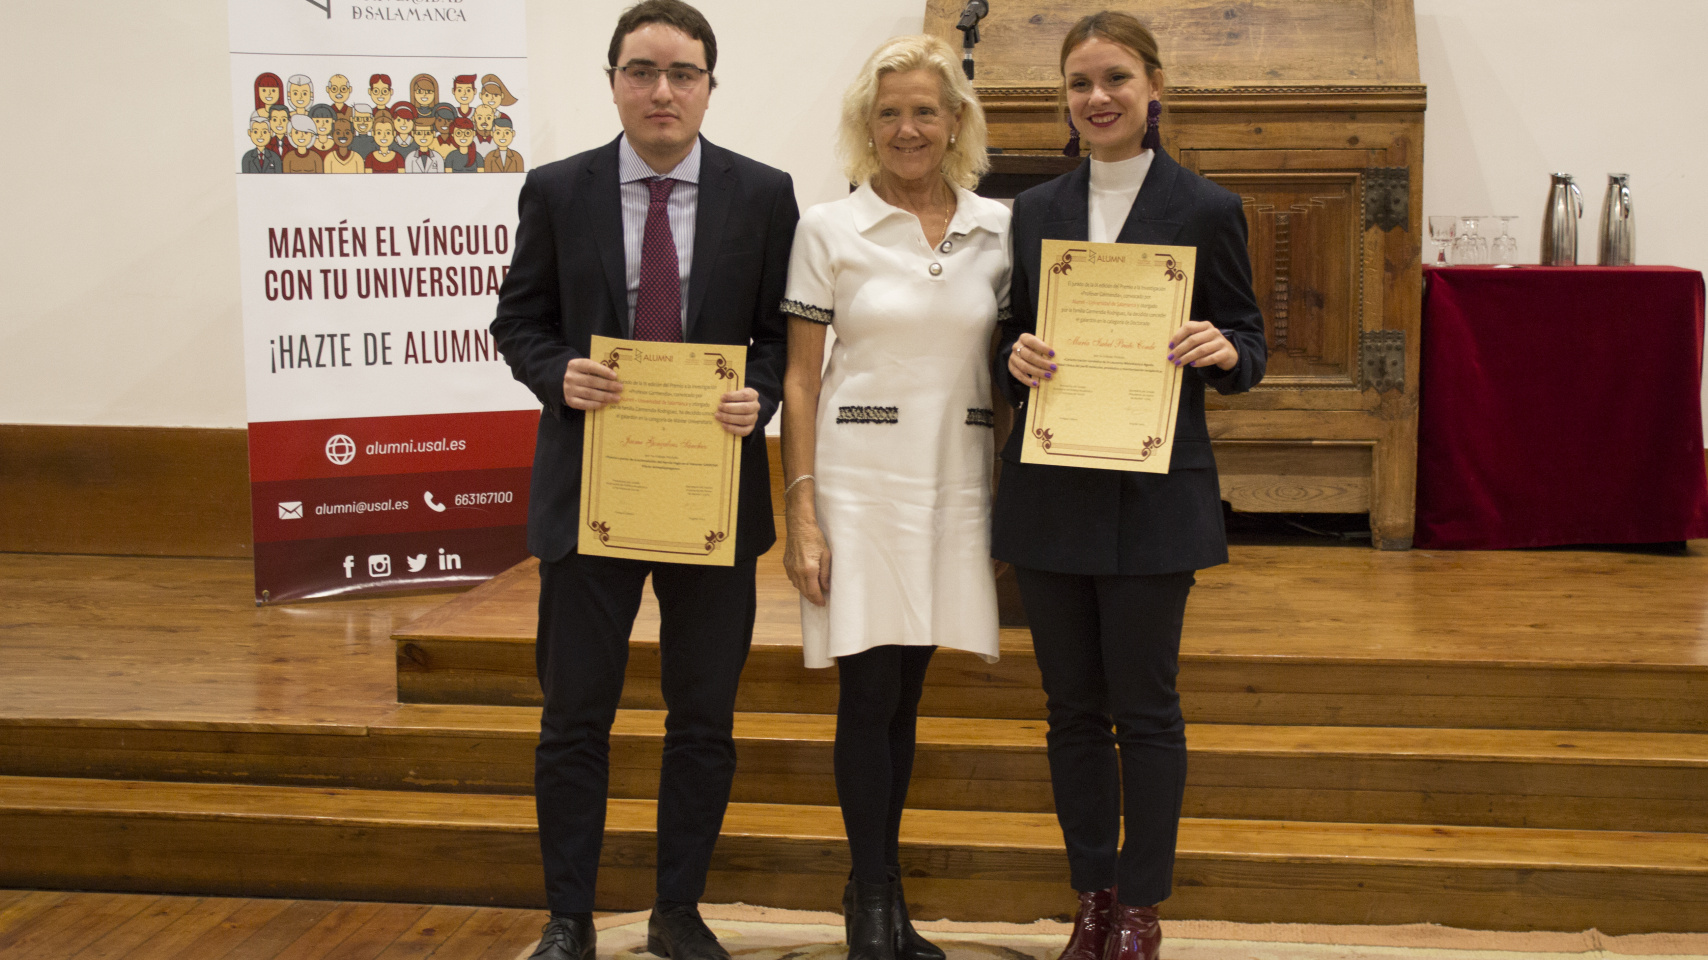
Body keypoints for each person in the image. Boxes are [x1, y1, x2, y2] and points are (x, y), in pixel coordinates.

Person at [488, 2, 797, 958]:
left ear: (709, 85)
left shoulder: (765, 194)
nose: (663, 90)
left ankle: (677, 910)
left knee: (702, 719)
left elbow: (782, 338)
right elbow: (518, 321)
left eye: (682, 73)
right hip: (592, 495)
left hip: (710, 499)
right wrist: (557, 373)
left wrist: (758, 392)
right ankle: (568, 917)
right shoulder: (557, 189)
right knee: (573, 718)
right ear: (614, 81)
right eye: (642, 71)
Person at [994, 13, 1266, 960]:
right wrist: (1015, 356)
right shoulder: (1034, 210)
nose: (1097, 97)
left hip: (1155, 496)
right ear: (1063, 100)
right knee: (1070, 711)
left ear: (1154, 88)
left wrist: (1224, 348)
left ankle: (1142, 907)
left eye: (1114, 78)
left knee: (1146, 710)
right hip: (1053, 491)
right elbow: (1008, 334)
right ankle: (1093, 897)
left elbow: (1249, 341)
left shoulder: (1206, 208)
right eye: (1079, 83)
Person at [779, 33, 1006, 960]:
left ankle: (883, 895)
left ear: (955, 122)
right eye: (889, 113)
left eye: (924, 111)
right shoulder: (827, 229)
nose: (907, 129)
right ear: (865, 126)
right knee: (869, 690)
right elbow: (800, 381)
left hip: (957, 482)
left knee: (907, 694)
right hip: (859, 486)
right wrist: (800, 512)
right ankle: (871, 903)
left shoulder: (1001, 229)